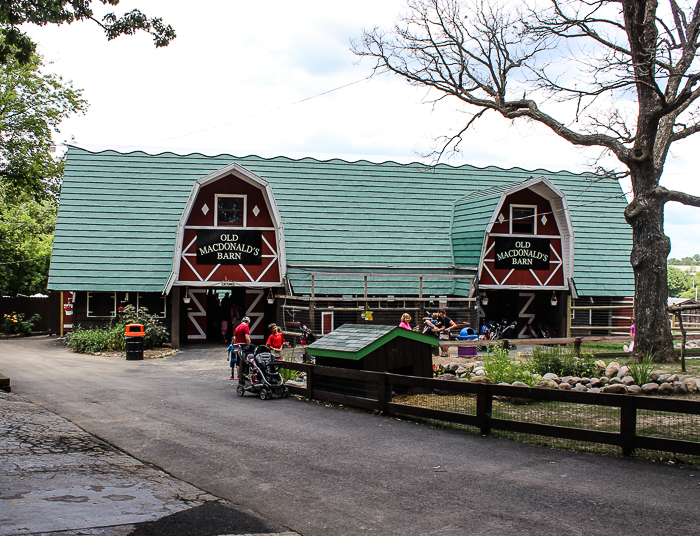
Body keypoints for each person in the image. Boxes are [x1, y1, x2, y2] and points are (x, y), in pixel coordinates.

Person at [233, 317, 251, 383]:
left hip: (237, 347)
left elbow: (234, 338)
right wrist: (249, 343)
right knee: (245, 361)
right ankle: (245, 375)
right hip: (244, 347)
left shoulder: (237, 328)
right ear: (248, 322)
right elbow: (247, 337)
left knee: (238, 362)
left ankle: (239, 376)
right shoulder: (245, 327)